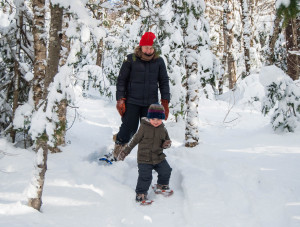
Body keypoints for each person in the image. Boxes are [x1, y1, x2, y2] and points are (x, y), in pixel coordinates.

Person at [112, 31, 170, 160]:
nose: (149, 50)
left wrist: (165, 101)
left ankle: (150, 156)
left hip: (151, 103)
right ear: (140, 47)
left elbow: (164, 82)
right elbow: (121, 80)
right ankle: (118, 150)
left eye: (151, 48)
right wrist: (120, 99)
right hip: (132, 101)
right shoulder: (130, 59)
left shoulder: (159, 61)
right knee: (129, 128)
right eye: (146, 47)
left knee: (149, 130)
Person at [117, 103, 173, 204]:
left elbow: (167, 141)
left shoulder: (163, 129)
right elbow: (134, 140)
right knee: (145, 176)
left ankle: (161, 185)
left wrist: (166, 144)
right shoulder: (143, 127)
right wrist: (125, 151)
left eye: (159, 119)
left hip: (158, 156)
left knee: (166, 170)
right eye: (153, 119)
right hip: (144, 158)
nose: (156, 122)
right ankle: (141, 193)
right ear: (149, 117)